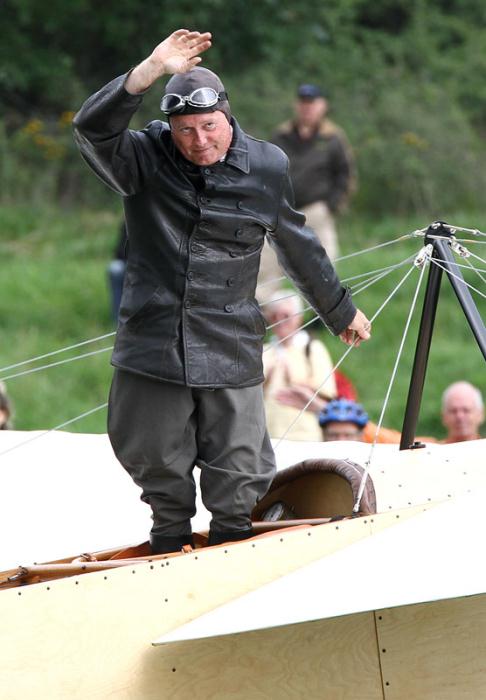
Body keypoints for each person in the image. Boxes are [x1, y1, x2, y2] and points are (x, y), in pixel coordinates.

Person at [73, 29, 371, 554]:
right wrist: (147, 71)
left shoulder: (268, 164)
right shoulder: (145, 157)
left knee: (239, 468)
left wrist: (339, 309)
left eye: (209, 126)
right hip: (153, 339)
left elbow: (298, 243)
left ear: (227, 118)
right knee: (156, 459)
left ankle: (235, 544)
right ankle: (167, 545)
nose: (199, 141)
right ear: (170, 128)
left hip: (229, 336)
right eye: (185, 130)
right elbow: (92, 128)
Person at [257, 82, 355, 300]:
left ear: (323, 106)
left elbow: (345, 174)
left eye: (312, 103)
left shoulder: (332, 138)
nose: (307, 108)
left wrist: (332, 205)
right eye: (303, 103)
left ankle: (323, 315)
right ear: (296, 105)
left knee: (324, 265)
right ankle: (263, 311)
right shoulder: (281, 135)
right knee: (267, 263)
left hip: (317, 211)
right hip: (282, 211)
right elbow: (266, 168)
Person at [263, 291, 337, 441]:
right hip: (266, 436)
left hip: (305, 436)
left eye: (285, 316)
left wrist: (295, 379)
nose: (279, 321)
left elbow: (327, 393)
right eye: (274, 316)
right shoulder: (263, 350)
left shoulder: (313, 348)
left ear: (299, 317)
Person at [107, 222, 128, 323]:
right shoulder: (126, 223)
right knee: (114, 269)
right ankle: (117, 319)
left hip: (146, 267)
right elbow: (118, 251)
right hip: (127, 262)